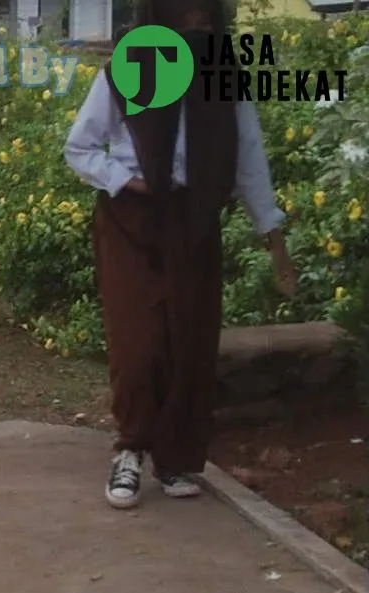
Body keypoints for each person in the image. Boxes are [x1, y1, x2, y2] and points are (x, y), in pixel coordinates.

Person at [64, 0, 297, 510]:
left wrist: (273, 236)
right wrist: (130, 180)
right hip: (132, 221)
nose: (196, 24)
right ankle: (129, 450)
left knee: (189, 343)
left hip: (194, 224)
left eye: (204, 16)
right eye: (184, 15)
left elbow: (249, 161)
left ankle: (175, 458)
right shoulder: (127, 71)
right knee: (138, 344)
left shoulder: (223, 78)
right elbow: (79, 147)